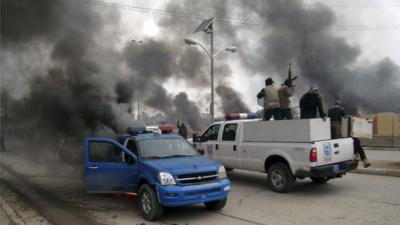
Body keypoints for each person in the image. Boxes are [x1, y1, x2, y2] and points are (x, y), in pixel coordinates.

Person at [328, 101, 371, 168]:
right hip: (346, 137)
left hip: (347, 136)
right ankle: (362, 159)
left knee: (357, 143)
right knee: (357, 144)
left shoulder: (331, 111)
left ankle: (362, 159)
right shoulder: (346, 117)